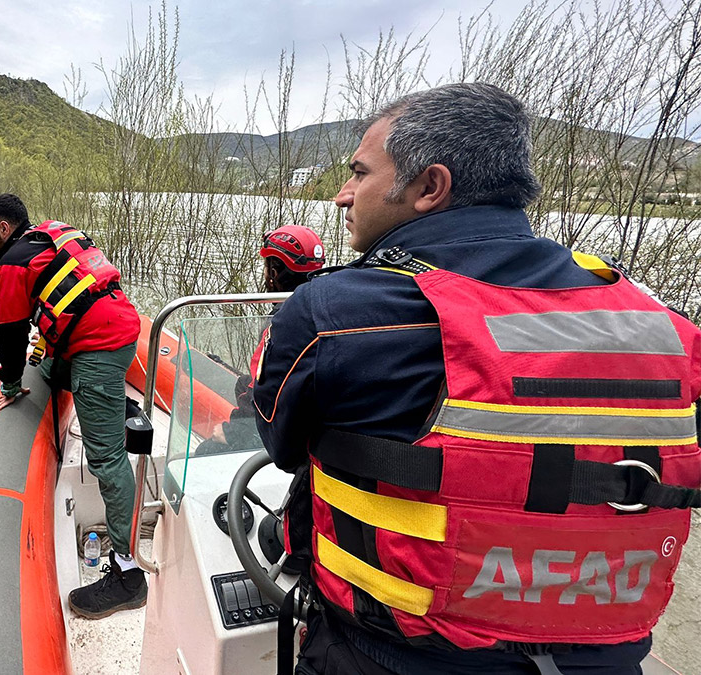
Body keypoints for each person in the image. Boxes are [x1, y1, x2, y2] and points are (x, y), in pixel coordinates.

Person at [253, 83, 701, 675]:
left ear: (429, 187)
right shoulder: (658, 321)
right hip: (608, 659)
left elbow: (283, 446)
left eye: (359, 173)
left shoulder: (334, 312)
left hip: (385, 656)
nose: (343, 195)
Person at [0, 193, 146, 619]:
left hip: (99, 349)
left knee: (107, 461)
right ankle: (117, 403)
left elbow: (10, 334)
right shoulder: (49, 235)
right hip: (121, 327)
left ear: (4, 227)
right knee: (52, 370)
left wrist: (11, 384)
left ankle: (128, 574)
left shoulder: (13, 264)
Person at [205, 225, 326, 453]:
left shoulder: (279, 324)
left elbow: (263, 392)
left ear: (274, 273)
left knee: (204, 452)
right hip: (308, 422)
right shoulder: (323, 307)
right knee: (242, 383)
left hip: (279, 434)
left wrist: (231, 433)